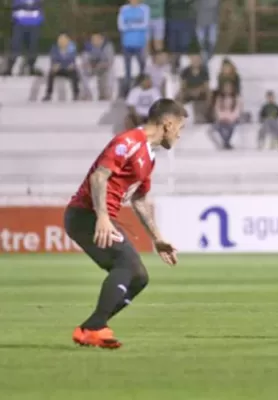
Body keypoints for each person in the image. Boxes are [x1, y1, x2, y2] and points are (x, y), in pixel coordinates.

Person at [65, 98, 188, 349]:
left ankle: (90, 327)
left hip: (100, 216)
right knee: (126, 264)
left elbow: (139, 199)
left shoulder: (149, 157)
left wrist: (157, 238)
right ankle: (97, 328)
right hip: (85, 214)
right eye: (180, 128)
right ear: (167, 123)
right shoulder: (128, 142)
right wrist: (102, 217)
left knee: (139, 278)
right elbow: (100, 176)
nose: (180, 135)